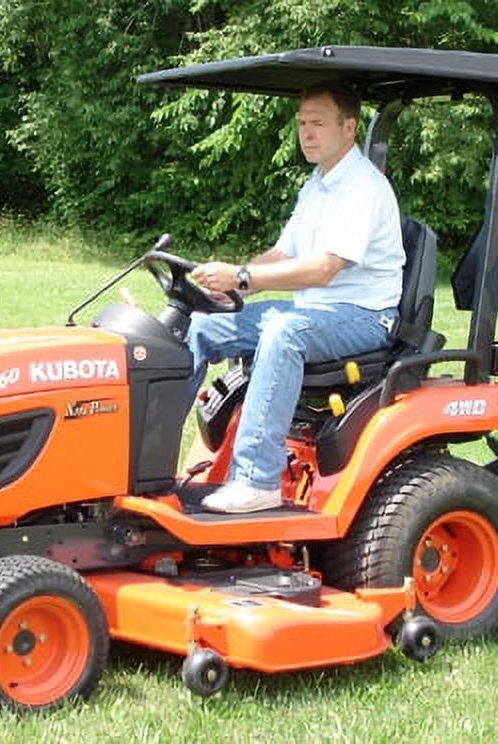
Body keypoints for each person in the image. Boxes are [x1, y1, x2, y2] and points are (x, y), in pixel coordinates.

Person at [187, 83, 404, 514]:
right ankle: (143, 462)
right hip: (314, 311)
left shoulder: (363, 188)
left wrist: (244, 277)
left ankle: (256, 480)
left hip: (363, 317)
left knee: (284, 332)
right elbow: (283, 253)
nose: (307, 132)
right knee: (203, 323)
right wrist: (229, 285)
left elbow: (323, 268)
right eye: (302, 123)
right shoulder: (318, 184)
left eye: (318, 123)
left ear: (349, 127)